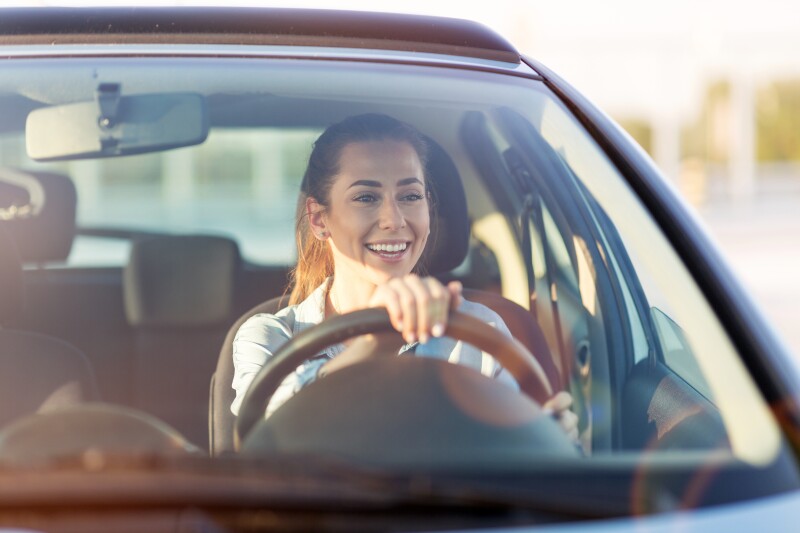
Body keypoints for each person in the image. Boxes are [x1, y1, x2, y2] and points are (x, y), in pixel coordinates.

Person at [231, 113, 578, 440]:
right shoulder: (268, 337)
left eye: (410, 196)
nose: (393, 220)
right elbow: (266, 442)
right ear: (319, 219)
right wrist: (374, 344)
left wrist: (547, 438)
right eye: (366, 197)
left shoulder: (479, 331)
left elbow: (511, 458)